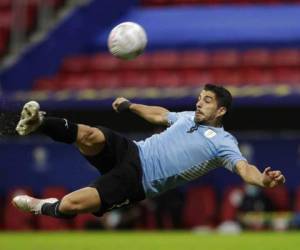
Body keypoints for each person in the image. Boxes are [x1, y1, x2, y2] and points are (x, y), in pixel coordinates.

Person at [12, 84, 285, 219]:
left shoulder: (224, 142)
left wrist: (262, 179)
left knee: (72, 204)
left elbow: (243, 168)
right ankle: (39, 122)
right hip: (132, 152)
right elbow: (161, 115)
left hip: (139, 181)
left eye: (208, 101)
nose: (199, 103)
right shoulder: (189, 117)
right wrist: (131, 106)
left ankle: (41, 206)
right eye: (200, 98)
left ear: (222, 110)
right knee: (92, 135)